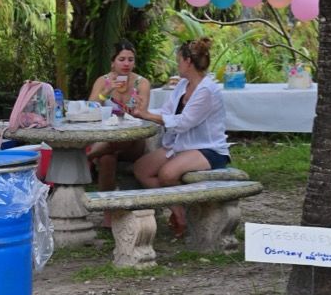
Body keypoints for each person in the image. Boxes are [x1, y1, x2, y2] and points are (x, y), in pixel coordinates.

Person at [131, 37, 229, 235]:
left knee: (167, 174)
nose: (177, 65)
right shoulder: (182, 84)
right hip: (181, 144)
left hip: (207, 148)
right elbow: (167, 112)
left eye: (178, 61)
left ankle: (187, 218)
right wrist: (142, 109)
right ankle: (180, 213)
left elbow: (184, 122)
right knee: (142, 169)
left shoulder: (208, 90)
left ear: (188, 62)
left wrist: (148, 115)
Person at [87, 40, 151, 190]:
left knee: (125, 138)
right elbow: (90, 108)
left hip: (133, 141)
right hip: (106, 138)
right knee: (107, 158)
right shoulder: (103, 81)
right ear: (112, 62)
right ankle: (109, 210)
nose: (126, 64)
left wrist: (138, 110)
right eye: (121, 59)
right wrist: (106, 92)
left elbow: (143, 114)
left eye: (130, 60)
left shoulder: (141, 83)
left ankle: (86, 158)